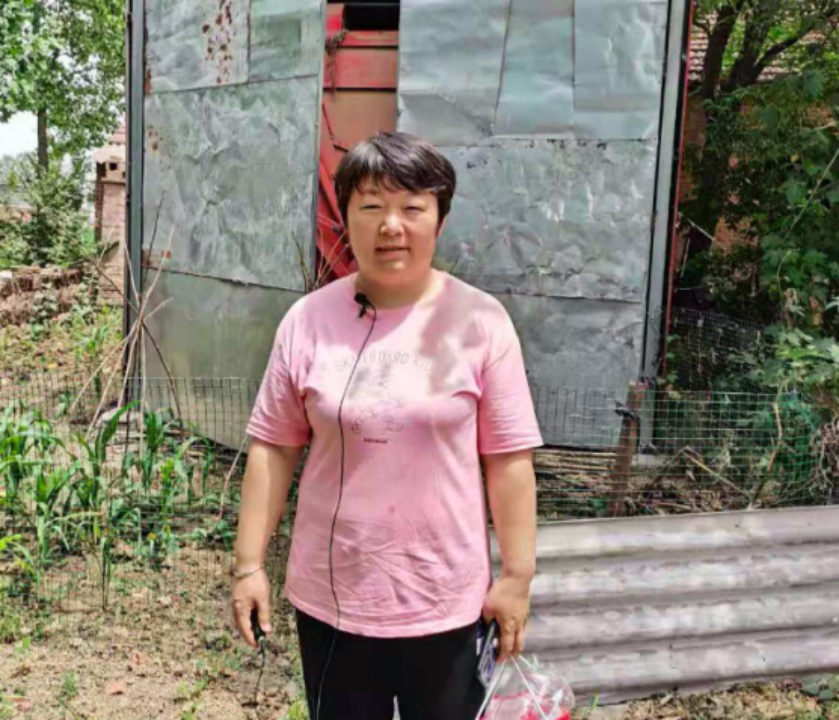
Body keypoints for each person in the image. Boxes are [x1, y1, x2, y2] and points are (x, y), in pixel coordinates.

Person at [231, 132, 542, 720]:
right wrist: (249, 565)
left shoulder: (481, 323)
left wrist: (517, 577)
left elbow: (509, 460)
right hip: (332, 600)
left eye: (412, 208)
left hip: (448, 602)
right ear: (345, 218)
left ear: (440, 219)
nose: (390, 226)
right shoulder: (307, 322)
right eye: (371, 206)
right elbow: (273, 448)